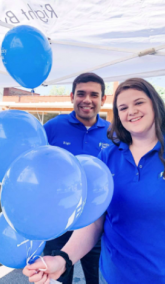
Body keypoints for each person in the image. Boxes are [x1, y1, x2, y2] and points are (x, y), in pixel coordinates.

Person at [23, 78, 165, 284]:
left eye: (139, 103)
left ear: (155, 105)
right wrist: (63, 259)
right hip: (113, 277)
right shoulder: (107, 157)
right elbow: (94, 222)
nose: (131, 111)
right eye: (123, 107)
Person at [42, 73, 112, 284]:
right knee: (57, 278)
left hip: (97, 222)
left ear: (103, 99)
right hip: (58, 221)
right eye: (81, 94)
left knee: (96, 279)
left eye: (94, 94)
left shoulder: (114, 133)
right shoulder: (53, 128)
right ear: (72, 96)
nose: (87, 100)